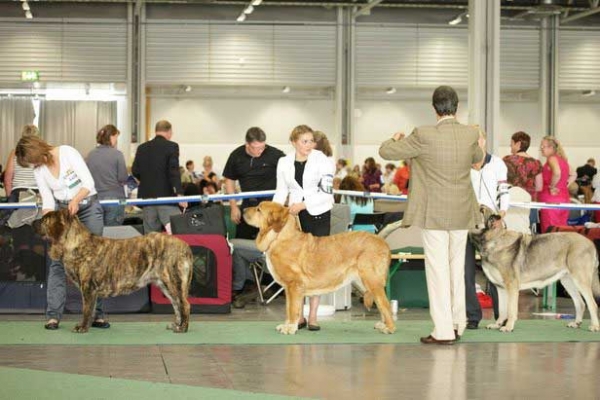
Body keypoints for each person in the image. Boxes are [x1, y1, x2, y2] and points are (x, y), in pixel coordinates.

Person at [379, 85, 483, 345]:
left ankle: (444, 331)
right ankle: (459, 323)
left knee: (438, 271)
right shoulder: (470, 134)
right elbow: (478, 157)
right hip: (461, 212)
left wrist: (394, 138)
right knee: (456, 269)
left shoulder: (423, 134)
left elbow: (386, 152)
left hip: (434, 213)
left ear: (434, 108)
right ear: (456, 107)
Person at [15, 136, 109, 331]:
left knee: (94, 261)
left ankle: (97, 315)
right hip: (61, 213)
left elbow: (88, 183)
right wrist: (49, 223)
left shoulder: (67, 152)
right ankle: (53, 316)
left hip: (87, 207)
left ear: (36, 151)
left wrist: (75, 200)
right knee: (57, 262)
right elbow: (48, 201)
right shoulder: (39, 170)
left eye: (31, 160)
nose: (33, 165)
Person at [273, 124, 335, 331]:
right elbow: (281, 191)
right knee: (293, 267)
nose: (309, 145)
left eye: (311, 141)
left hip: (317, 214)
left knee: (314, 265)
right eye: (304, 141)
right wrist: (275, 213)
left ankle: (313, 316)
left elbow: (326, 192)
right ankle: (296, 316)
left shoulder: (324, 160)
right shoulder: (283, 162)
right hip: (294, 218)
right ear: (294, 142)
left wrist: (304, 204)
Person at [465, 130, 509, 330]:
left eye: (478, 138)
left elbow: (503, 191)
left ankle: (503, 316)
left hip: (492, 225)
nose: (476, 142)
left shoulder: (498, 164)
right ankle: (472, 316)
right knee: (466, 273)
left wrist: (502, 213)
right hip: (467, 223)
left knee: (495, 272)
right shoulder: (463, 164)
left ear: (484, 140)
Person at [222, 127, 285, 240]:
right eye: (257, 148)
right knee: (242, 242)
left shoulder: (276, 155)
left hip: (270, 208)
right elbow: (229, 180)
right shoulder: (236, 156)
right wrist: (233, 206)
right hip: (249, 206)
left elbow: (289, 175)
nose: (260, 151)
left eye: (263, 147)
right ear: (247, 144)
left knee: (272, 244)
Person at [131, 120, 186, 234]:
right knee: (178, 233)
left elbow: (135, 171)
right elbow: (173, 171)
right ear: (169, 131)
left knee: (151, 239)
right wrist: (180, 194)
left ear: (156, 131)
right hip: (166, 199)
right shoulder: (172, 146)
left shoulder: (142, 147)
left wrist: (147, 181)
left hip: (147, 200)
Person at [86, 124, 128, 226]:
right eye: (116, 137)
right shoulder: (118, 154)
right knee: (113, 234)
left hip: (95, 199)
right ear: (111, 137)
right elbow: (123, 178)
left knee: (99, 234)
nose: (116, 141)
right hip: (115, 199)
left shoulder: (90, 155)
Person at [538, 136, 571, 234]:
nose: (541, 149)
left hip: (551, 201)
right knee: (561, 232)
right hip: (564, 199)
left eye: (543, 146)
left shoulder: (551, 159)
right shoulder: (563, 160)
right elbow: (574, 175)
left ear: (551, 148)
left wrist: (552, 186)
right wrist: (563, 185)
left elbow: (557, 173)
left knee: (550, 233)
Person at [3, 125, 40, 203]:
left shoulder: (14, 152)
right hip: (38, 192)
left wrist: (9, 197)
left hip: (17, 191)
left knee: (9, 214)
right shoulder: (41, 153)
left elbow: (7, 179)